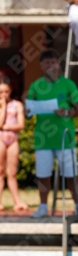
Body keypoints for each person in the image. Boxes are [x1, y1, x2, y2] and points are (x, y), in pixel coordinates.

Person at [26, 49, 78, 219]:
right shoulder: (35, 85)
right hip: (42, 139)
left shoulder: (68, 84)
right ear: (41, 66)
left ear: (58, 64)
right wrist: (28, 110)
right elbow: (27, 110)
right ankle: (43, 207)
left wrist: (66, 113)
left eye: (53, 62)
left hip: (65, 138)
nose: (50, 65)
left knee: (71, 175)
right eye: (47, 63)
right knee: (43, 175)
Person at [0, 80, 28, 212]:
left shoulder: (17, 105)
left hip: (12, 140)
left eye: (6, 91)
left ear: (10, 90)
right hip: (0, 140)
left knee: (12, 172)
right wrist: (3, 107)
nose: (4, 94)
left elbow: (21, 125)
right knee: (0, 171)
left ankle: (17, 202)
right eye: (1, 92)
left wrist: (8, 127)